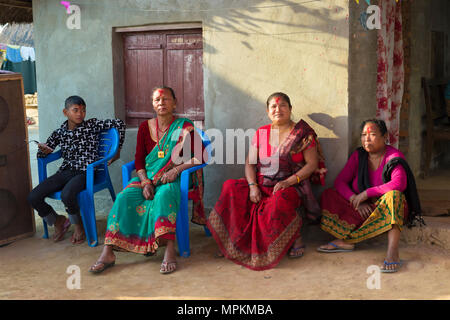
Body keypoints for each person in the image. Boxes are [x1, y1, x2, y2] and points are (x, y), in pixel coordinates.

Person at [89, 86, 205, 275]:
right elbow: (139, 159)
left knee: (164, 196)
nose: (161, 103)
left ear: (174, 103)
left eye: (166, 99)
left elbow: (202, 155)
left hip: (171, 178)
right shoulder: (145, 127)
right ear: (153, 104)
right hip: (148, 177)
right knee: (124, 197)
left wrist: (177, 169)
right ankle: (108, 252)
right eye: (157, 100)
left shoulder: (184, 126)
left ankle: (169, 249)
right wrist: (144, 182)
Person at [207, 92, 327, 271]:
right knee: (230, 186)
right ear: (268, 111)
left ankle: (294, 237)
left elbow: (312, 164)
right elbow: (250, 163)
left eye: (283, 105)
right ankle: (232, 242)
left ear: (290, 109)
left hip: (290, 185)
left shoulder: (302, 134)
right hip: (261, 184)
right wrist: (253, 186)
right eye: (273, 106)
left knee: (280, 201)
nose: (278, 109)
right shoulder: (262, 132)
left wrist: (289, 182)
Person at [317, 119, 424, 273]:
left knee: (394, 197)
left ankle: (392, 252)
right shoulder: (358, 155)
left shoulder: (393, 156)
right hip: (360, 209)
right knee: (329, 194)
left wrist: (367, 193)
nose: (366, 139)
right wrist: (355, 200)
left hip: (383, 210)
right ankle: (345, 242)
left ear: (385, 136)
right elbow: (340, 181)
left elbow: (398, 184)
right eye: (363, 135)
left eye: (372, 135)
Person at [27, 95, 126, 245]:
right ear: (65, 112)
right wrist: (44, 150)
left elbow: (119, 123)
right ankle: (58, 221)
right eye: (75, 110)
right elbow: (44, 153)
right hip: (66, 171)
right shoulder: (60, 132)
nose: (80, 114)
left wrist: (117, 150)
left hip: (86, 172)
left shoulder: (91, 125)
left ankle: (78, 225)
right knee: (33, 196)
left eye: (83, 110)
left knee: (67, 194)